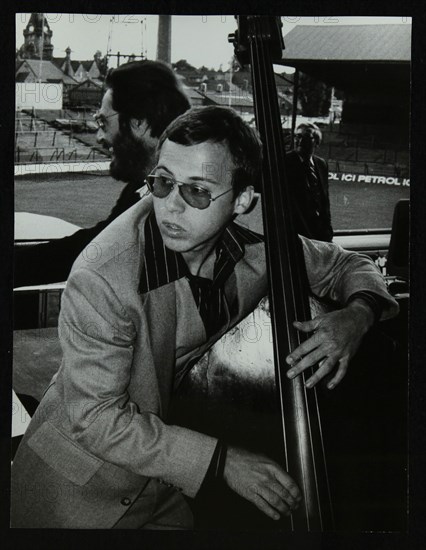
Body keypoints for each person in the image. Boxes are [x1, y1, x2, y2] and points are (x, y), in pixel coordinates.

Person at [11, 106, 398, 529]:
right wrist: (223, 461)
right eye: (162, 182)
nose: (170, 208)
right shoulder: (102, 277)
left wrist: (358, 315)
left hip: (168, 484)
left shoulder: (258, 236)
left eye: (196, 191)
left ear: (243, 200)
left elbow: (346, 264)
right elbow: (96, 418)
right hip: (77, 490)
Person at [14, 60, 191, 287]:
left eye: (102, 122)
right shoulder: (142, 189)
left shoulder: (172, 199)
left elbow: (91, 255)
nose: (99, 137)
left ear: (138, 123)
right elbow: (90, 244)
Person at [285, 122, 333, 242]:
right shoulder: (284, 162)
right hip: (297, 237)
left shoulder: (322, 164)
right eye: (297, 136)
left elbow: (324, 201)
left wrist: (328, 233)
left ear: (316, 142)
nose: (299, 141)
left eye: (306, 137)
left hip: (320, 236)